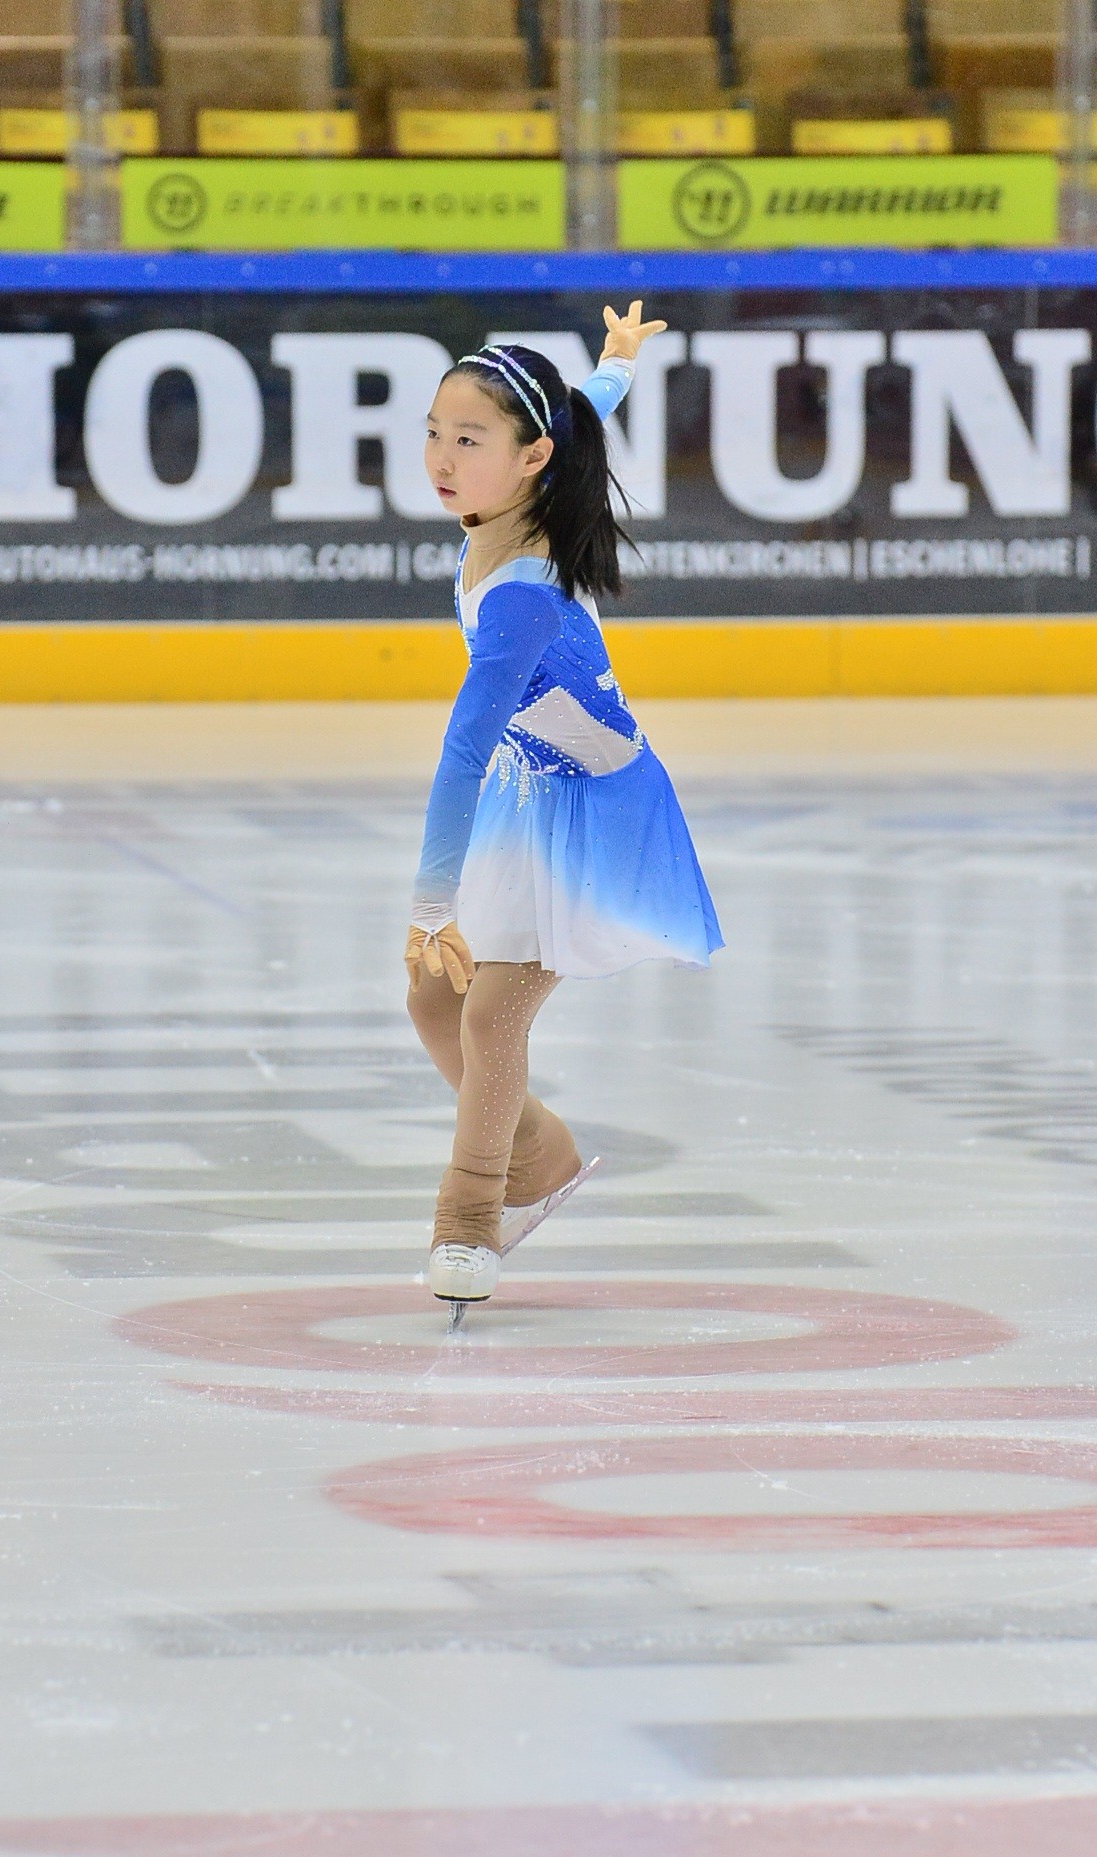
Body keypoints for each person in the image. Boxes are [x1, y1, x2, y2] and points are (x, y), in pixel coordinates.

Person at [404, 301, 723, 1309]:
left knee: (492, 1015)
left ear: (531, 456)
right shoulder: (526, 476)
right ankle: (538, 1151)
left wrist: (429, 905)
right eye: (434, 433)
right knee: (433, 1003)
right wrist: (618, 359)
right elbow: (584, 407)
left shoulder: (524, 597)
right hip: (530, 779)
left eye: (469, 440)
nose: (442, 458)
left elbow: (460, 751)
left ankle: (471, 1215)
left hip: (596, 807)